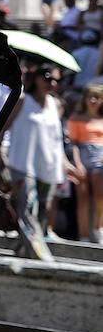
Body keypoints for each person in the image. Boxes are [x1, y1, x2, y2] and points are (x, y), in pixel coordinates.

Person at [2, 65, 67, 257]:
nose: (52, 83)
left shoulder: (56, 105)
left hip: (48, 164)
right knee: (28, 206)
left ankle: (22, 250)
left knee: (44, 210)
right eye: (47, 77)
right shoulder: (22, 100)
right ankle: (39, 254)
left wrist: (64, 162)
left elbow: (56, 138)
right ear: (36, 78)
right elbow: (3, 126)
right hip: (22, 163)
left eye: (56, 80)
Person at [66, 84, 103, 244]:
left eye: (97, 97)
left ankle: (98, 229)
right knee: (83, 198)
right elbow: (73, 143)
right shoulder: (76, 118)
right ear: (85, 99)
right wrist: (77, 163)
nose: (93, 100)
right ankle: (84, 235)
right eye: (90, 97)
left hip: (100, 157)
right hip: (82, 154)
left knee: (100, 196)